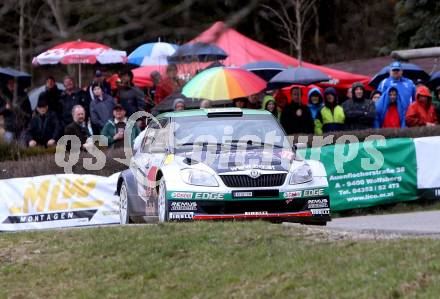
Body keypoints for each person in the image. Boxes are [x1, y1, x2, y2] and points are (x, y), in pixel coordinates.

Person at [0, 79, 32, 144]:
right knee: (8, 148)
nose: (11, 85)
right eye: (9, 83)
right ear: (6, 85)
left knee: (22, 148)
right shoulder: (3, 96)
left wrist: (27, 123)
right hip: (9, 127)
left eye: (13, 83)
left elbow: (29, 111)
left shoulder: (23, 95)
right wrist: (5, 108)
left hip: (22, 127)